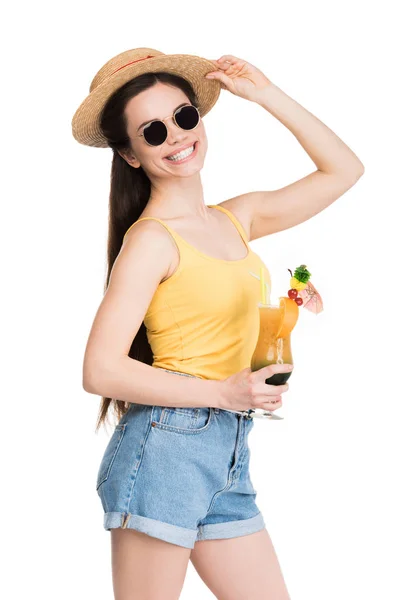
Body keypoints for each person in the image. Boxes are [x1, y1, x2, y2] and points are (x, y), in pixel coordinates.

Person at [72, 47, 364, 600]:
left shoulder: (238, 219)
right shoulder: (151, 242)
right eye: (153, 132)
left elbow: (345, 170)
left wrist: (266, 95)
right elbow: (100, 369)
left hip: (227, 450)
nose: (178, 137)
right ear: (130, 154)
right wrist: (222, 391)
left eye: (185, 117)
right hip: (165, 448)